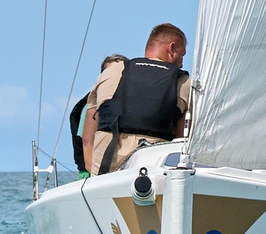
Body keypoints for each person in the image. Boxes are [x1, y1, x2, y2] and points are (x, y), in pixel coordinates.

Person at [73, 23, 191, 177]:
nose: (181, 63)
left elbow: (88, 137)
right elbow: (181, 140)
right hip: (153, 174)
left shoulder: (110, 73)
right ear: (172, 48)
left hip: (104, 171)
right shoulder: (183, 82)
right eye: (181, 55)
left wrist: (92, 169)